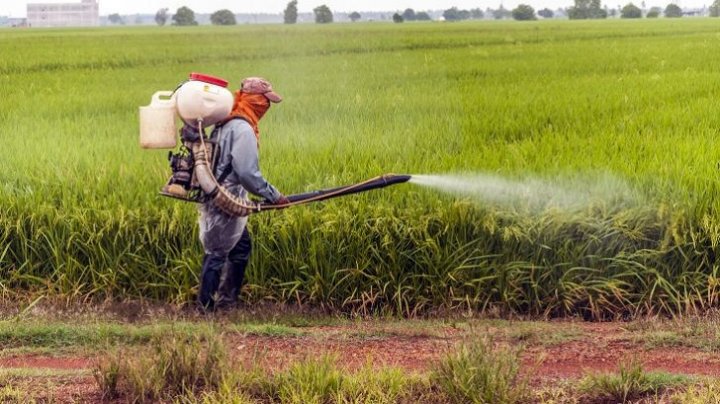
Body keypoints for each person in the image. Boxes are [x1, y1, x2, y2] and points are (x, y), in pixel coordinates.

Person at [191, 77, 289, 311]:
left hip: (223, 195)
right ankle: (205, 308)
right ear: (255, 100)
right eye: (265, 101)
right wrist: (273, 195)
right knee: (216, 252)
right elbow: (247, 173)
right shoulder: (243, 128)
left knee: (240, 247)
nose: (266, 106)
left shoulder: (226, 122)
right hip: (225, 199)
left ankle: (226, 301)